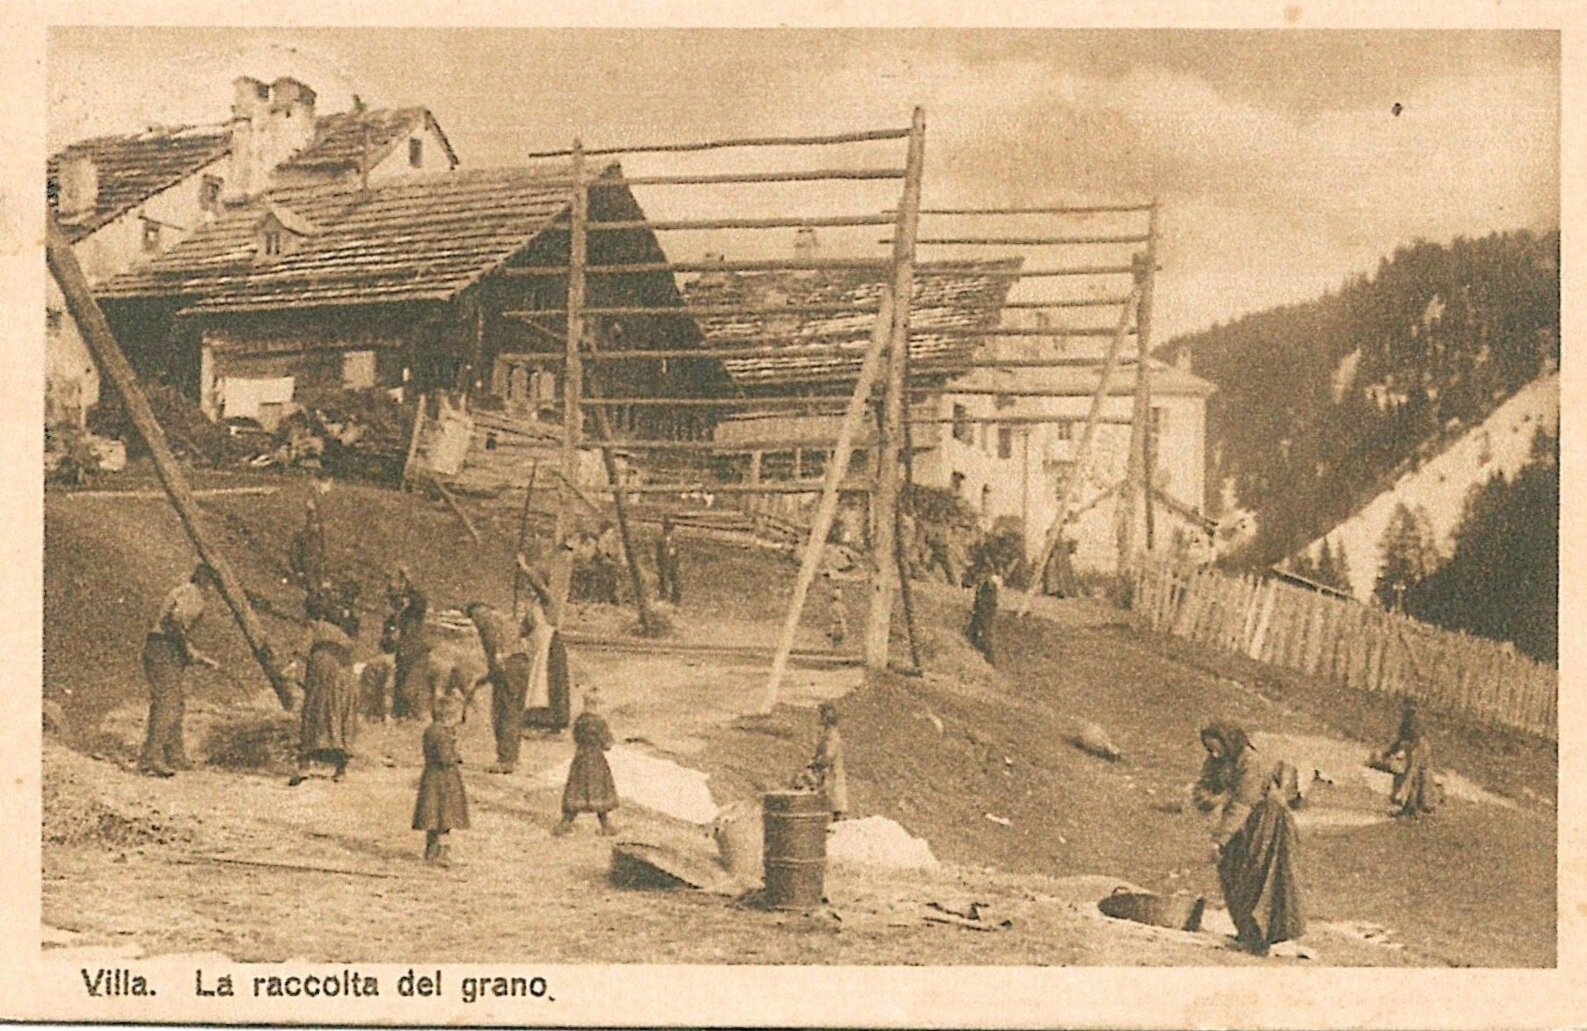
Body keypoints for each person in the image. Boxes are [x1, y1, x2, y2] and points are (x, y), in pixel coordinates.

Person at [1192, 721, 1306, 955]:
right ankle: (1245, 930)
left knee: (1256, 875)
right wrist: (1212, 798)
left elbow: (1242, 804)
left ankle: (1260, 937)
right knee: (1231, 871)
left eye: (1217, 748)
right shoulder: (1217, 760)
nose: (1214, 753)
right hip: (1239, 823)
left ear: (1230, 743)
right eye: (1210, 749)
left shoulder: (1250, 762)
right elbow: (1202, 787)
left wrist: (1219, 840)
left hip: (1266, 821)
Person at [139, 564, 222, 777]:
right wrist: (187, 648)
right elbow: (175, 620)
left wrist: (194, 655)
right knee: (167, 704)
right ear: (208, 583)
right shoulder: (194, 594)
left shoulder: (184, 590)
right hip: (164, 648)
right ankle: (151, 758)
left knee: (175, 703)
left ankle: (175, 755)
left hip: (163, 648)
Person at [289, 601, 359, 785]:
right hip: (345, 675)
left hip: (323, 672)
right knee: (341, 716)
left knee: (314, 712)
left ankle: (304, 766)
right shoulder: (342, 634)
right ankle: (340, 769)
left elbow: (301, 652)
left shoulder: (314, 626)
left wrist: (293, 670)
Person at [466, 602, 531, 774]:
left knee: (504, 712)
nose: (475, 622)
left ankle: (506, 759)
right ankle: (512, 757)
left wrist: (484, 679)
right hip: (521, 665)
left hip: (508, 669)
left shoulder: (486, 622)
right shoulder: (504, 619)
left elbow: (496, 656)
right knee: (514, 711)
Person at [516, 553, 572, 734]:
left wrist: (526, 570)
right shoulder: (534, 605)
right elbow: (526, 627)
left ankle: (551, 721)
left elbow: (544, 592)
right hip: (540, 639)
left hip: (548, 638)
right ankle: (538, 719)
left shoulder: (548, 600)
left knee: (546, 680)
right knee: (537, 680)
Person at [413, 692, 469, 866]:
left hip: (431, 778)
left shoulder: (431, 730)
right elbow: (445, 757)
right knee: (445, 818)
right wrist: (456, 756)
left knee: (433, 818)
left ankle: (431, 851)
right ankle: (442, 853)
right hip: (444, 781)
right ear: (450, 716)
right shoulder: (443, 733)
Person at [556, 688, 619, 836]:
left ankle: (565, 823)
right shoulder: (599, 722)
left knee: (577, 789)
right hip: (596, 759)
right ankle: (605, 825)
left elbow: (576, 738)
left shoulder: (579, 720)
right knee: (600, 791)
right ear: (596, 705)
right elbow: (607, 744)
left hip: (581, 758)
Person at [1379, 697, 1441, 818]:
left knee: (1409, 777)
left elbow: (1408, 738)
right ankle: (1417, 807)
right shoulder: (1413, 719)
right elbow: (1403, 739)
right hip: (1420, 747)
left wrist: (1392, 752)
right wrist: (1392, 751)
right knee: (1418, 777)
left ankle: (1410, 807)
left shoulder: (1410, 720)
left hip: (1416, 747)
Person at [386, 566, 433, 720]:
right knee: (401, 677)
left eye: (396, 581)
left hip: (414, 645)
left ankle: (413, 712)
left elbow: (418, 606)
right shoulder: (398, 600)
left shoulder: (415, 598)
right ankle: (400, 713)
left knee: (410, 683)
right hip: (404, 646)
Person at [800, 702, 848, 820]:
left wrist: (813, 764)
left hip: (832, 780)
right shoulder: (828, 735)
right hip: (828, 780)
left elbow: (827, 757)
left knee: (834, 814)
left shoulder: (832, 736)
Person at [288, 497, 327, 596]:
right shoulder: (301, 536)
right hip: (307, 567)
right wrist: (298, 570)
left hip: (318, 567)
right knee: (312, 590)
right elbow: (294, 554)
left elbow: (322, 552)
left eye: (317, 524)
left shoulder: (318, 537)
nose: (316, 527)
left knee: (322, 591)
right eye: (314, 524)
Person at [967, 570, 1001, 664]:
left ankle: (989, 661)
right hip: (980, 612)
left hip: (984, 613)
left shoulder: (988, 587)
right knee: (971, 633)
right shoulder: (983, 586)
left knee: (985, 635)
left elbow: (988, 605)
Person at [655, 517, 682, 606]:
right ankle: (664, 597)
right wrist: (658, 564)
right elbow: (658, 553)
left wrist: (678, 562)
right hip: (664, 563)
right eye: (666, 529)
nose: (668, 531)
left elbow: (677, 552)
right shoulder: (660, 540)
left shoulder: (675, 540)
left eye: (669, 529)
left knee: (675, 581)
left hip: (673, 563)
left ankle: (676, 599)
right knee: (663, 580)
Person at [826, 576, 848, 650]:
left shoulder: (836, 605)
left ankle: (839, 645)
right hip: (837, 620)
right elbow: (846, 613)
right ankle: (836, 645)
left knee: (842, 631)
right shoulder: (838, 605)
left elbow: (845, 613)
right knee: (835, 630)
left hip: (838, 620)